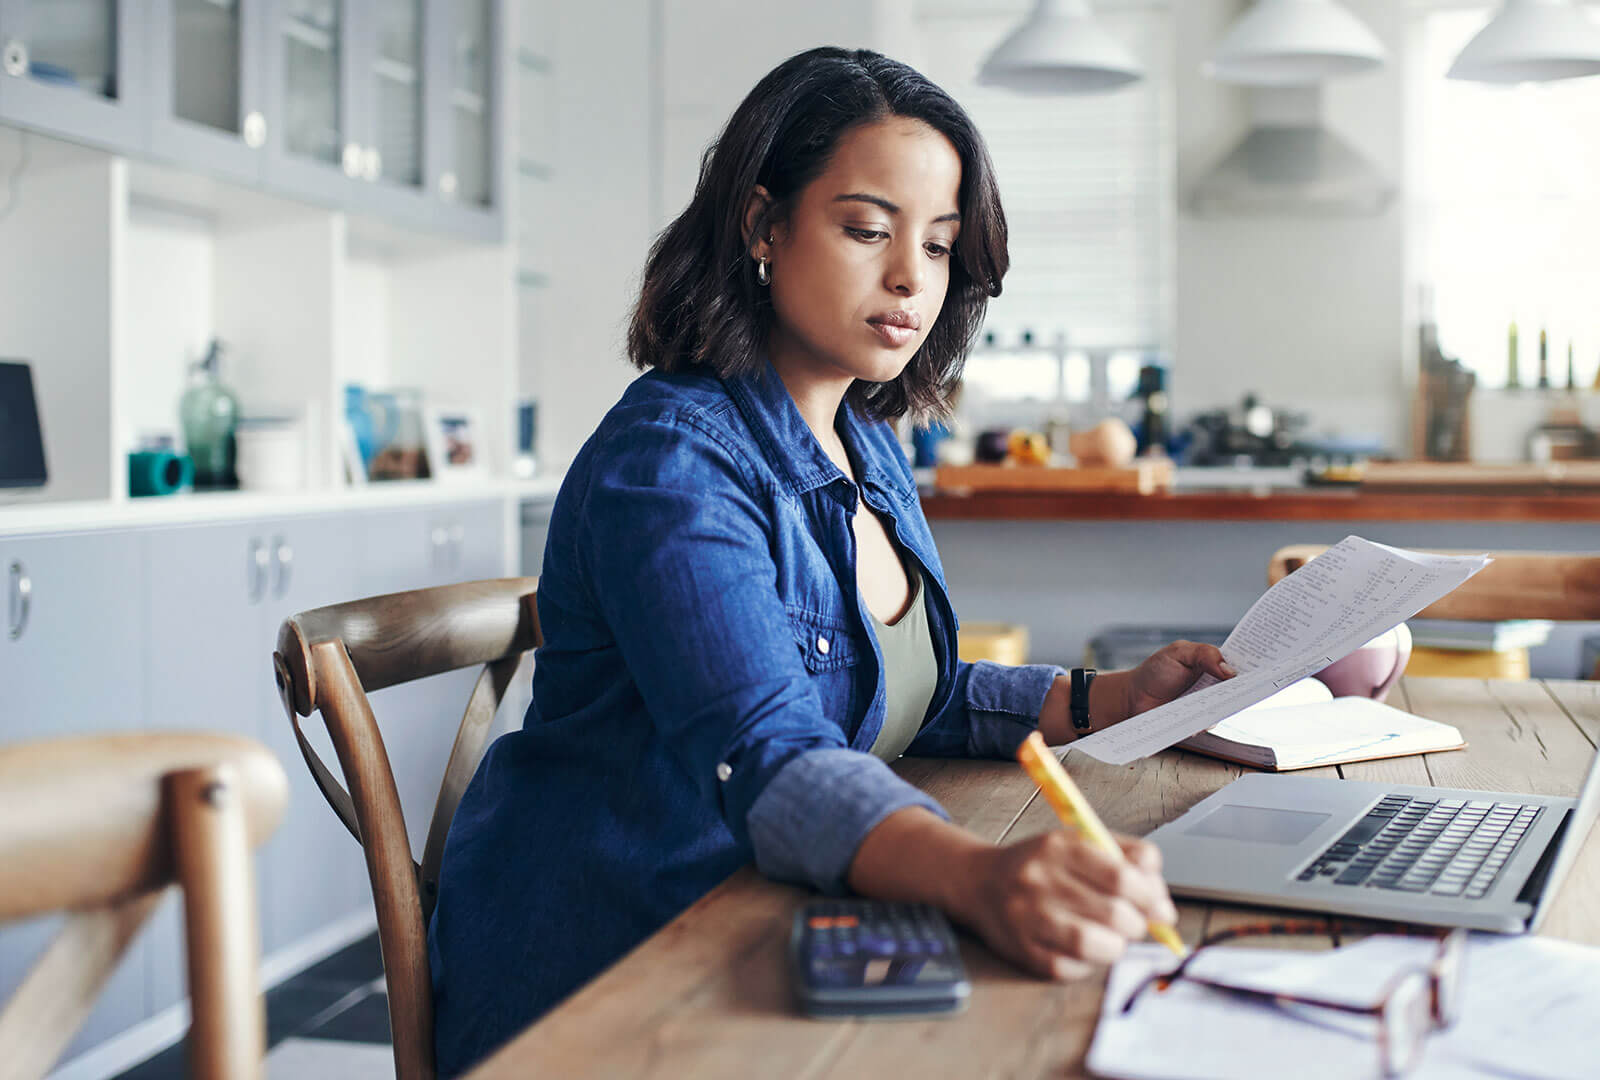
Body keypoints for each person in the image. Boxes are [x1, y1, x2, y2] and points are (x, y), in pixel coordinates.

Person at [427, 46, 1232, 1075]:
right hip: (616, 970)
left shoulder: (867, 443)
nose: (909, 278)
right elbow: (770, 747)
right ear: (762, 224)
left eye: (938, 247)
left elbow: (899, 695)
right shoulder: (672, 463)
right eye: (865, 230)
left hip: (766, 921)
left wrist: (1107, 697)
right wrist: (981, 878)